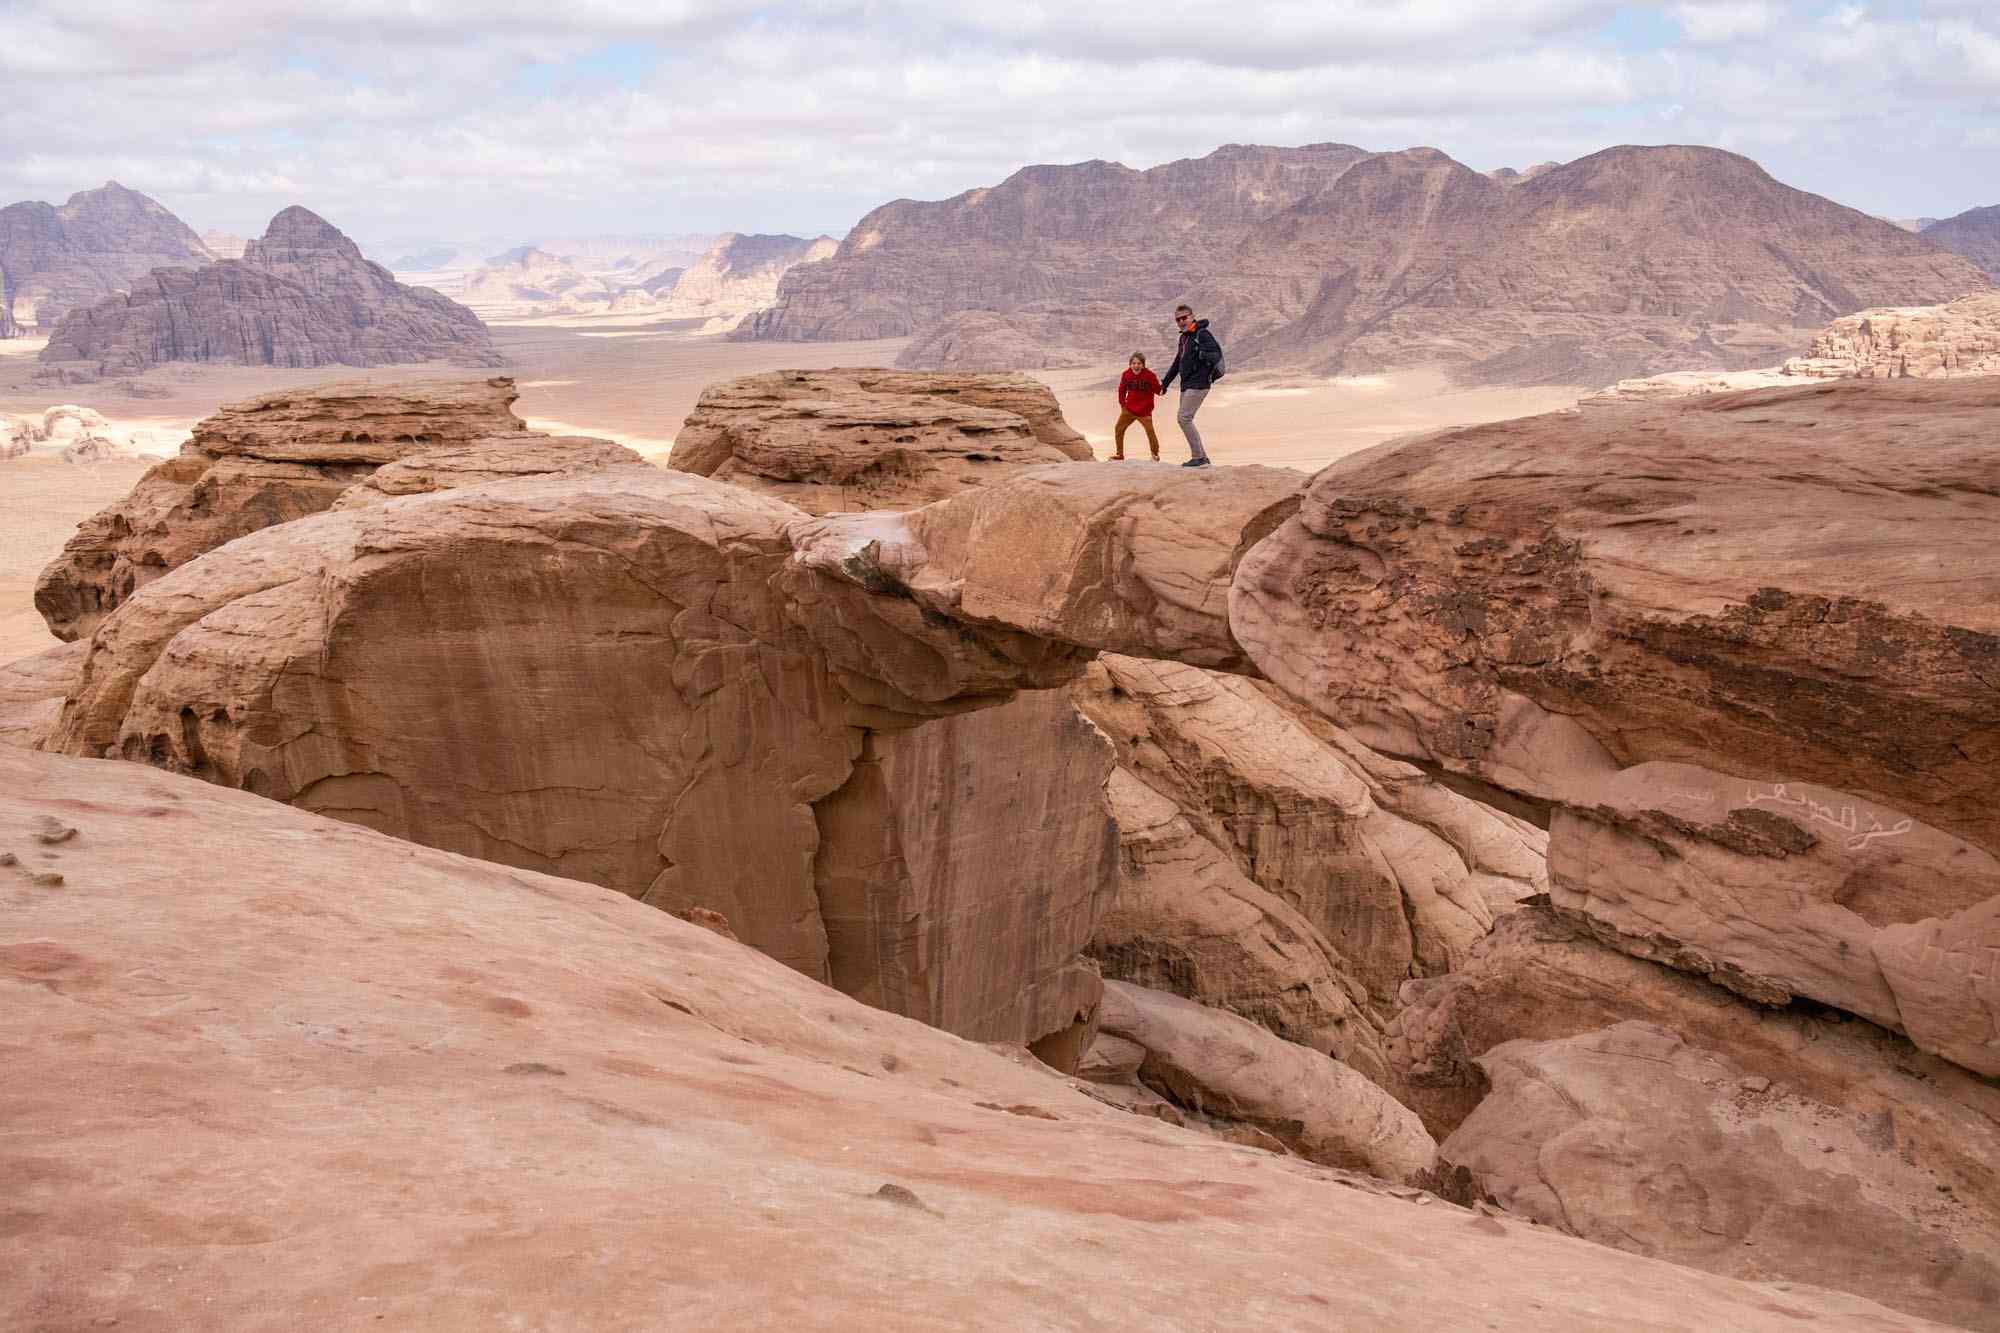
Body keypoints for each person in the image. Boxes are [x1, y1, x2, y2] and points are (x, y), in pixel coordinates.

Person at [1157, 303, 1223, 468]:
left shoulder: (1202, 334)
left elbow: (1216, 355)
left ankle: (1198, 457)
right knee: (1186, 418)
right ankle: (1203, 458)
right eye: (1178, 319)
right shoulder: (1184, 337)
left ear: (1192, 317)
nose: (1181, 321)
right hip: (1187, 385)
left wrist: (1202, 355)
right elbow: (1178, 362)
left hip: (1199, 384)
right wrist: (1165, 383)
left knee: (1184, 418)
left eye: (1184, 318)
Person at [1111, 352, 1161, 460]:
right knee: (1118, 429)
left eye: (1139, 363)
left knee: (1150, 431)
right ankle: (1119, 454)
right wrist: (1123, 405)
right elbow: (1121, 390)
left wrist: (1163, 388)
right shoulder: (1126, 374)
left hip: (1144, 411)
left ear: (1143, 364)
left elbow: (1158, 390)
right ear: (1130, 364)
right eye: (1133, 363)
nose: (1136, 365)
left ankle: (1155, 454)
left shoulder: (1150, 376)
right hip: (1129, 410)